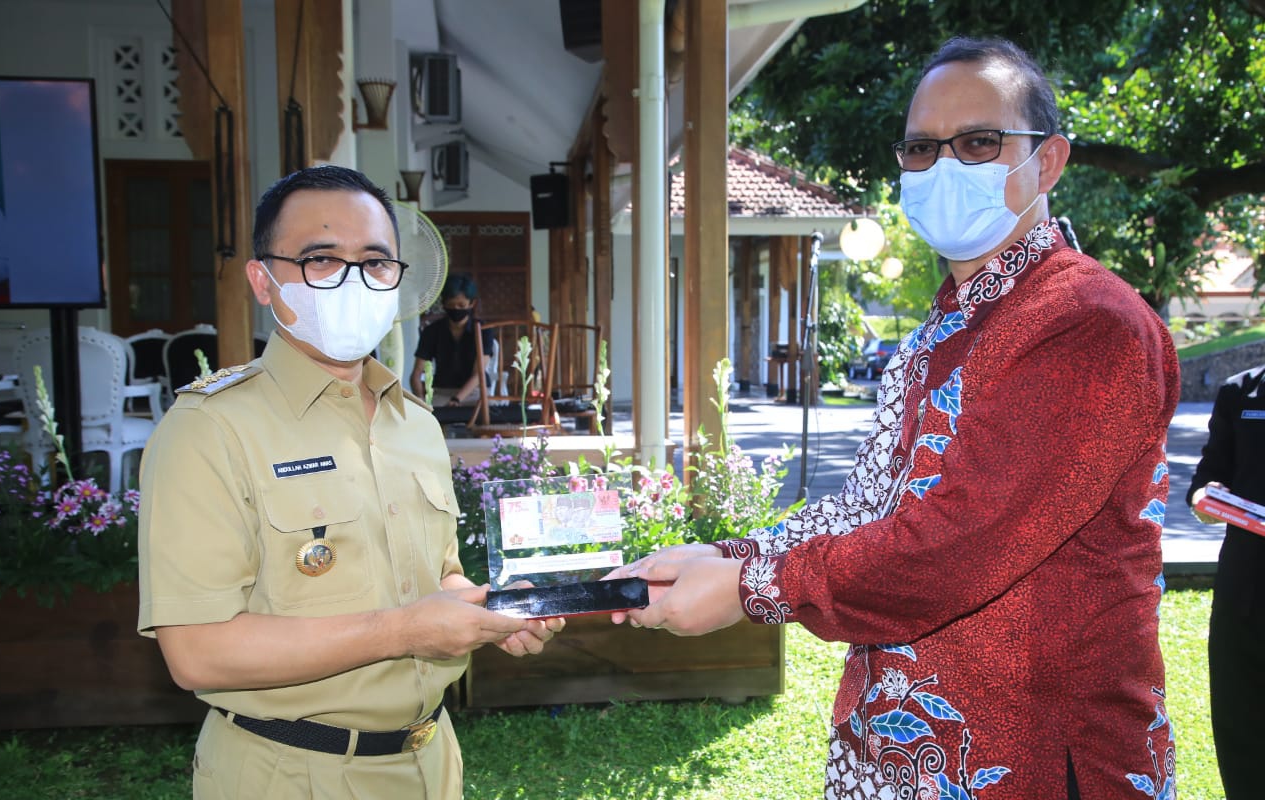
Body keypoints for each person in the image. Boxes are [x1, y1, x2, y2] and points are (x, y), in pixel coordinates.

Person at [612, 37, 1180, 799]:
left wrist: (752, 587)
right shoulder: (941, 331)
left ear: (1046, 162)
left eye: (979, 141)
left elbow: (958, 543)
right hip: (901, 746)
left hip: (1042, 756)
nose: (945, 165)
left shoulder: (1086, 322)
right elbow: (871, 509)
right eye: (921, 148)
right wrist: (723, 552)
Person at [137, 165, 561, 800]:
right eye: (320, 260)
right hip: (289, 771)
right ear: (262, 279)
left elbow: (436, 576)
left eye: (375, 261)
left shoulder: (414, 421)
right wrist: (408, 630)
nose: (353, 281)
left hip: (431, 762)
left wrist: (487, 609)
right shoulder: (210, 429)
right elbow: (197, 651)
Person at [1187, 363, 1265, 800]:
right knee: (1242, 731)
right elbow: (1205, 483)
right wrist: (1205, 498)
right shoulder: (1241, 392)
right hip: (1246, 593)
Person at [410, 274, 495, 408]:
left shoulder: (483, 331)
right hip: (441, 392)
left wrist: (457, 399)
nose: (456, 309)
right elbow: (416, 373)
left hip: (474, 393)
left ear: (472, 303)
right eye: (451, 305)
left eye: (461, 305)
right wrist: (420, 400)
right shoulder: (431, 331)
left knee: (485, 411)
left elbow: (478, 374)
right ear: (444, 304)